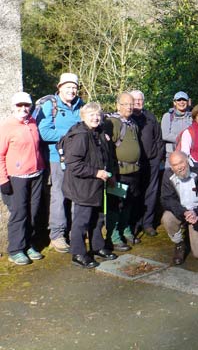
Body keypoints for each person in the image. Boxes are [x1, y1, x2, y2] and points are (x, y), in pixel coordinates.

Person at [62, 102, 118, 268]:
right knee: (82, 220)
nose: (95, 118)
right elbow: (74, 164)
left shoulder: (98, 133)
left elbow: (105, 158)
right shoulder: (80, 135)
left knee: (98, 217)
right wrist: (96, 173)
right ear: (83, 117)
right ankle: (78, 253)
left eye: (97, 115)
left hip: (98, 184)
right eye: (91, 115)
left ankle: (98, 247)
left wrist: (109, 175)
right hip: (83, 185)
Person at [37, 72, 83, 254]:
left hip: (78, 159)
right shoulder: (51, 105)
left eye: (74, 87)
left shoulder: (81, 106)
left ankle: (76, 231)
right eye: (68, 87)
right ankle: (57, 235)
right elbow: (43, 132)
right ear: (60, 88)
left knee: (77, 194)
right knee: (59, 195)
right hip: (58, 159)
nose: (71, 90)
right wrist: (69, 136)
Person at [0, 92, 45, 265]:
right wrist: (3, 180)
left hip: (36, 174)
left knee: (33, 212)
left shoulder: (33, 123)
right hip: (16, 177)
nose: (23, 109)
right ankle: (15, 249)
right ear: (13, 107)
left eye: (26, 105)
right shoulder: (6, 126)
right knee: (19, 213)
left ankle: (29, 244)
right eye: (19, 105)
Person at [104, 92, 141, 251]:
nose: (129, 107)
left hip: (133, 171)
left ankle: (125, 229)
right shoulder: (113, 123)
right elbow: (107, 150)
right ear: (118, 105)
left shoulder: (132, 123)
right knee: (115, 204)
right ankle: (113, 236)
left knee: (129, 203)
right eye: (126, 104)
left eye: (131, 104)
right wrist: (110, 173)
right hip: (119, 172)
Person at [130, 90, 164, 237]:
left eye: (140, 100)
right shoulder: (127, 118)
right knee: (135, 193)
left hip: (151, 162)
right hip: (133, 164)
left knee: (151, 193)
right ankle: (134, 224)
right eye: (135, 100)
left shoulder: (150, 117)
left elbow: (158, 139)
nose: (138, 102)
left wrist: (157, 158)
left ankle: (148, 223)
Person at [161, 91, 192, 161]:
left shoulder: (191, 117)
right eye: (179, 100)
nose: (181, 102)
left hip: (188, 154)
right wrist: (184, 139)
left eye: (184, 100)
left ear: (187, 102)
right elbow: (165, 135)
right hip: (171, 154)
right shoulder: (167, 116)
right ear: (174, 102)